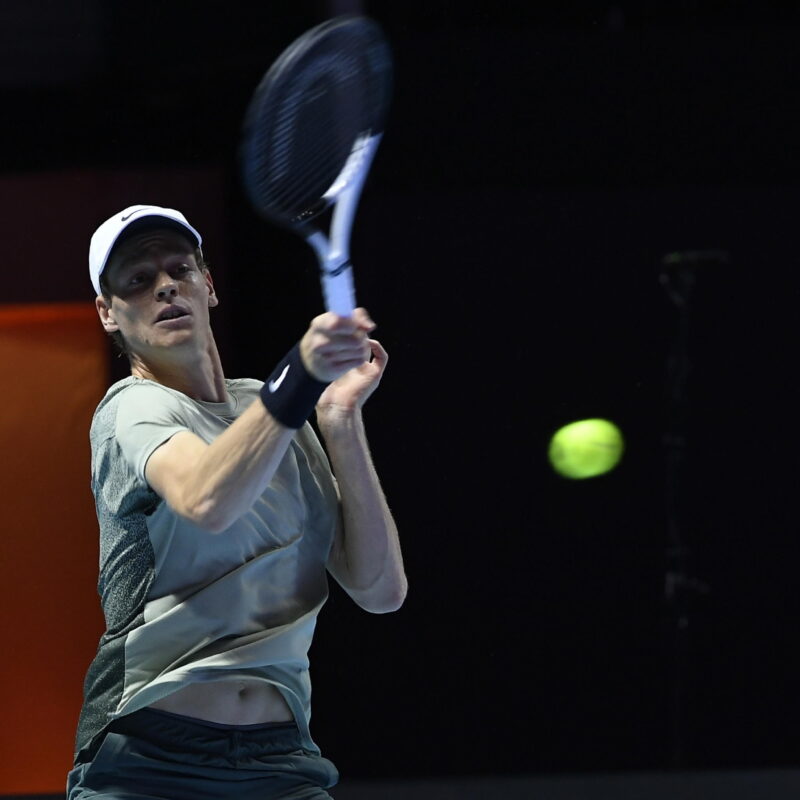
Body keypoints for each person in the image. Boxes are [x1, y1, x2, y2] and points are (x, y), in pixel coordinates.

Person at [67, 204, 407, 800]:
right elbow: (207, 499)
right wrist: (298, 376)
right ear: (108, 313)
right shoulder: (133, 408)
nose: (165, 285)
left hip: (280, 764)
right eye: (137, 281)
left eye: (180, 268)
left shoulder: (276, 416)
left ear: (209, 286)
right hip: (150, 759)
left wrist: (338, 418)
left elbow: (379, 591)